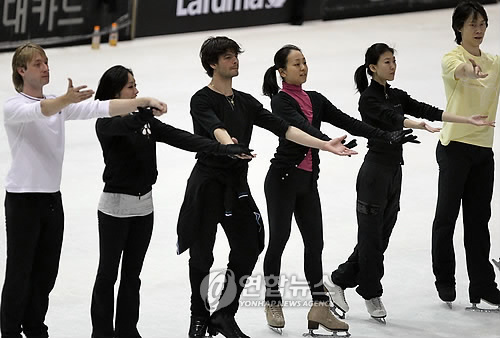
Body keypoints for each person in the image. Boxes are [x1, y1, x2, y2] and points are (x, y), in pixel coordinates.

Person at [176, 36, 358, 338]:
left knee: (249, 247)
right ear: (212, 64)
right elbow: (214, 127)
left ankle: (224, 314)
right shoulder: (202, 99)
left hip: (236, 186)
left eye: (236, 55)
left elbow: (286, 129)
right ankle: (199, 315)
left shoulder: (246, 102)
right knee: (202, 256)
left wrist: (324, 145)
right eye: (227, 57)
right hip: (207, 184)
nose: (234, 61)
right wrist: (229, 144)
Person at [0, 43, 167, 338]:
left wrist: (143, 100)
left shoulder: (58, 104)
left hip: (52, 199)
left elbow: (101, 107)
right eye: (38, 63)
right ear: (21, 70)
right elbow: (42, 110)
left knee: (46, 271)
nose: (46, 67)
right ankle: (11, 331)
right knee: (19, 271)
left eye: (47, 62)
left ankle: (36, 328)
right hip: (23, 200)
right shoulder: (14, 107)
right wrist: (65, 99)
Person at [328, 42, 494, 322]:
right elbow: (393, 118)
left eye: (394, 61)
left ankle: (337, 280)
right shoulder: (368, 99)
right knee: (371, 238)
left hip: (394, 172)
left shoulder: (396, 94)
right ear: (372, 67)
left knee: (381, 236)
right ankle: (370, 291)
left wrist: (466, 119)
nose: (392, 66)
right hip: (374, 173)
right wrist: (415, 124)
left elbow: (426, 109)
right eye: (386, 62)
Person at [261, 44, 419, 333]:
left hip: (308, 183)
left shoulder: (316, 99)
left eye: (305, 62)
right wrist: (328, 142)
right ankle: (272, 299)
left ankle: (319, 308)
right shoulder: (280, 101)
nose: (303, 67)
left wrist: (387, 136)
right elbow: (300, 128)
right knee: (279, 241)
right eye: (296, 64)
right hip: (282, 180)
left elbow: (350, 123)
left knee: (316, 244)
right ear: (282, 72)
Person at [90, 65, 253, 338]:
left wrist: (222, 148)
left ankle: (128, 332)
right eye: (131, 86)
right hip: (115, 208)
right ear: (117, 92)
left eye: (136, 85)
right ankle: (103, 334)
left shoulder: (143, 121)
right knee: (108, 275)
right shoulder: (106, 121)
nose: (137, 90)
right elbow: (125, 124)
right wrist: (143, 109)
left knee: (132, 275)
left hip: (144, 208)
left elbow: (181, 138)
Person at [431, 1, 500, 309]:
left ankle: (483, 284)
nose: (479, 30)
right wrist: (470, 69)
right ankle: (445, 278)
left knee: (478, 220)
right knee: (446, 217)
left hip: (483, 151)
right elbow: (459, 70)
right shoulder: (452, 57)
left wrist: (480, 66)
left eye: (483, 23)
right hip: (454, 148)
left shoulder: (494, 62)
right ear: (459, 27)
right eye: (473, 24)